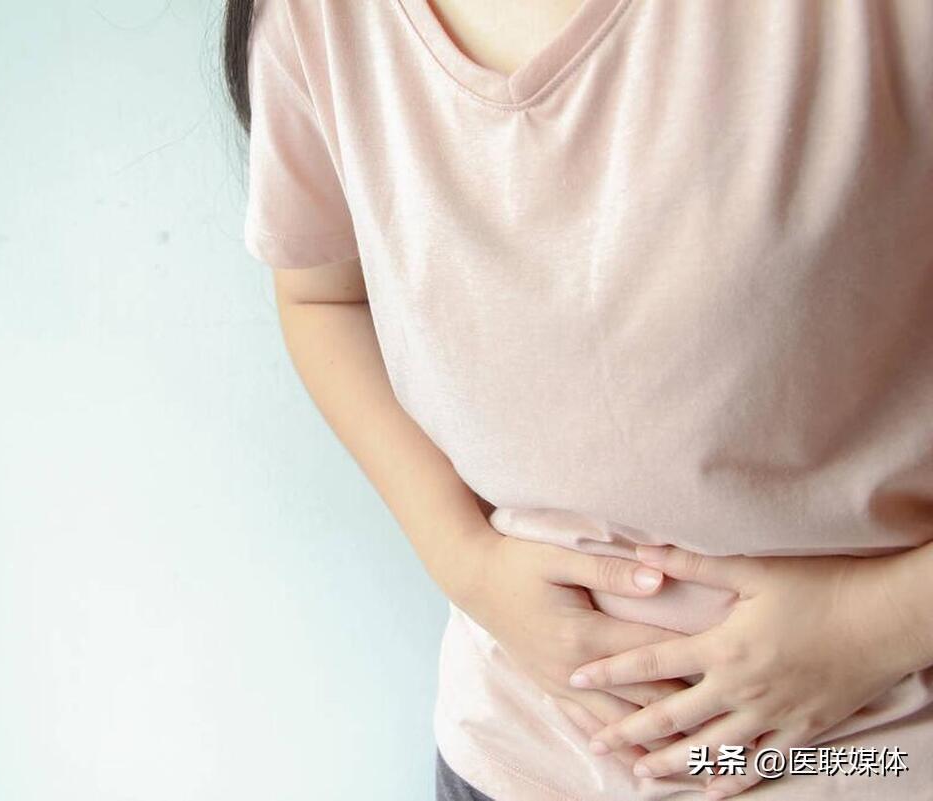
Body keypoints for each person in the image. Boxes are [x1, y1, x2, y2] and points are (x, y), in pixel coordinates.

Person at [222, 1, 933, 799]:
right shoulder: (316, 21)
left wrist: (876, 627)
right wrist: (468, 561)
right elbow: (325, 297)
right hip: (511, 755)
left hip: (869, 755)